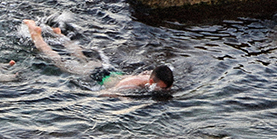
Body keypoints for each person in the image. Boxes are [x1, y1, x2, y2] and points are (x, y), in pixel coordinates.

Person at [22, 20, 173, 92]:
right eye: (161, 88)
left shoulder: (148, 77)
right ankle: (36, 34)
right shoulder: (132, 83)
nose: (163, 90)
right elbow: (107, 93)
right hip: (96, 75)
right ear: (153, 81)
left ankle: (60, 35)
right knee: (58, 61)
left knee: (80, 54)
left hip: (107, 70)